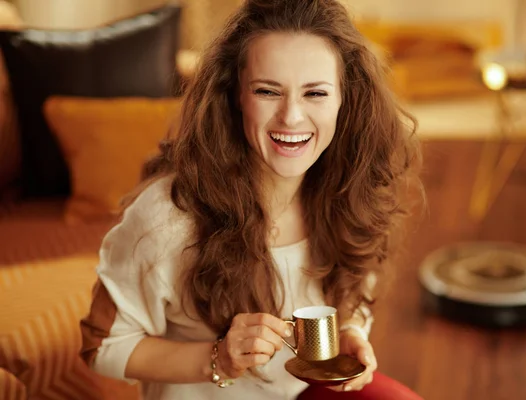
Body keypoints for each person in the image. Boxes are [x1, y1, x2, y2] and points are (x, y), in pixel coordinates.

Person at [79, 0, 423, 399]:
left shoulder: (350, 190)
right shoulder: (167, 218)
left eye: (315, 93)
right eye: (267, 91)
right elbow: (100, 346)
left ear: (345, 100)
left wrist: (349, 331)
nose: (291, 117)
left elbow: (355, 285)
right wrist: (218, 358)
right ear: (235, 95)